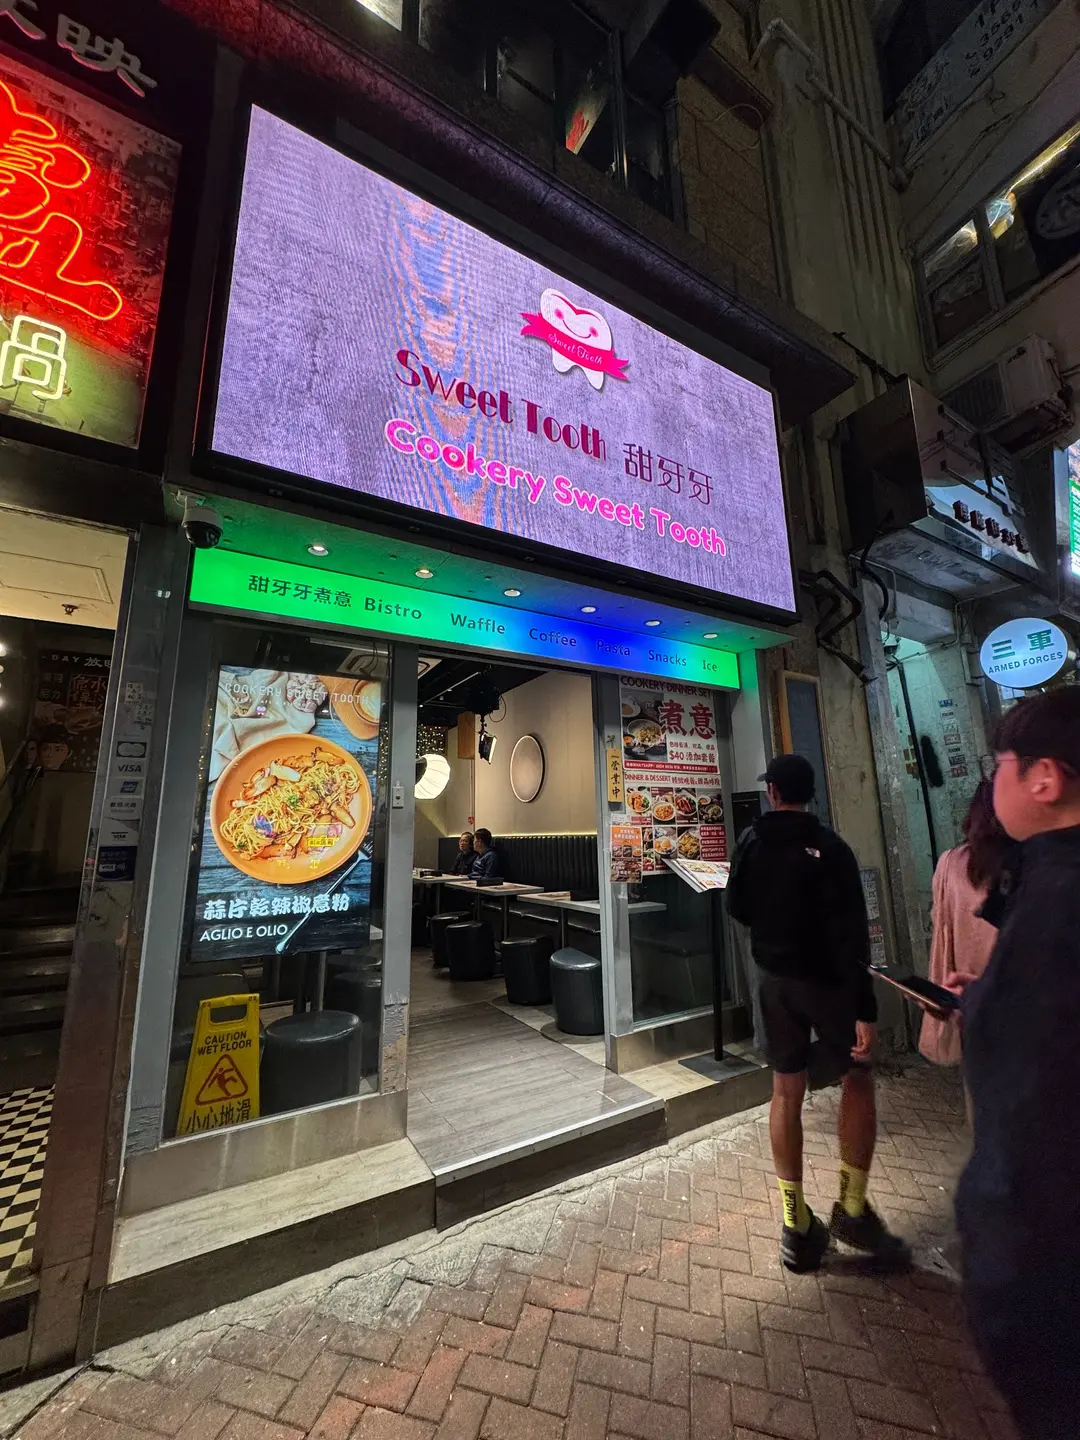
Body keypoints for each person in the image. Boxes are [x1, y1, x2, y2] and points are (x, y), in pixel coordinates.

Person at [948, 688, 1080, 1440]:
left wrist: (997, 1252)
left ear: (1045, 778)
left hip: (1051, 1271)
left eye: (1001, 761)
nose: (992, 779)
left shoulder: (1058, 893)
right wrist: (986, 998)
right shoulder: (1047, 879)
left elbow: (1038, 1106)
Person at [726, 753, 907, 1272]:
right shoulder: (833, 847)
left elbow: (737, 907)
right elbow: (854, 932)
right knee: (858, 1074)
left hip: (774, 983)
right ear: (809, 794)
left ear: (773, 792)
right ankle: (851, 1207)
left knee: (786, 1091)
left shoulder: (751, 842)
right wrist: (865, 1008)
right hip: (829, 983)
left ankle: (796, 1225)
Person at [919, 779, 1013, 1067]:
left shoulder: (949, 862)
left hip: (966, 993)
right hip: (1015, 993)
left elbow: (940, 922)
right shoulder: (1024, 865)